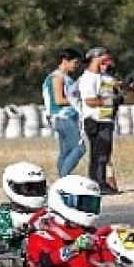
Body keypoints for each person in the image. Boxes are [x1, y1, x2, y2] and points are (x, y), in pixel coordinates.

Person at [24, 175, 123, 267]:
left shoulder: (91, 232)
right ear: (62, 200)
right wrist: (73, 248)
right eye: (83, 203)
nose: (88, 209)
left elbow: (106, 260)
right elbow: (44, 263)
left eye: (91, 204)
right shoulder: (41, 235)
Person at [78, 47, 121, 195]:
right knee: (98, 154)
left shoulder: (105, 77)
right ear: (94, 58)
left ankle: (102, 181)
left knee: (105, 153)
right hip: (94, 120)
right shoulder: (87, 78)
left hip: (106, 119)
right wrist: (110, 101)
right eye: (102, 56)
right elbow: (90, 101)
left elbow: (111, 92)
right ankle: (97, 183)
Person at [0, 162, 49, 254]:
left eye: (39, 187)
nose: (35, 192)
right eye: (29, 188)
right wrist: (24, 230)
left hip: (49, 255)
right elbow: (1, 230)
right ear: (11, 186)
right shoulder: (3, 214)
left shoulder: (48, 213)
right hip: (17, 258)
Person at [43, 48, 85, 178]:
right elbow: (59, 99)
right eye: (75, 62)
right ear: (65, 61)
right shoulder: (57, 77)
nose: (76, 66)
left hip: (67, 117)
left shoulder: (66, 78)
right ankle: (64, 177)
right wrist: (79, 102)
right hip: (63, 116)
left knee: (66, 151)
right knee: (79, 148)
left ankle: (62, 178)